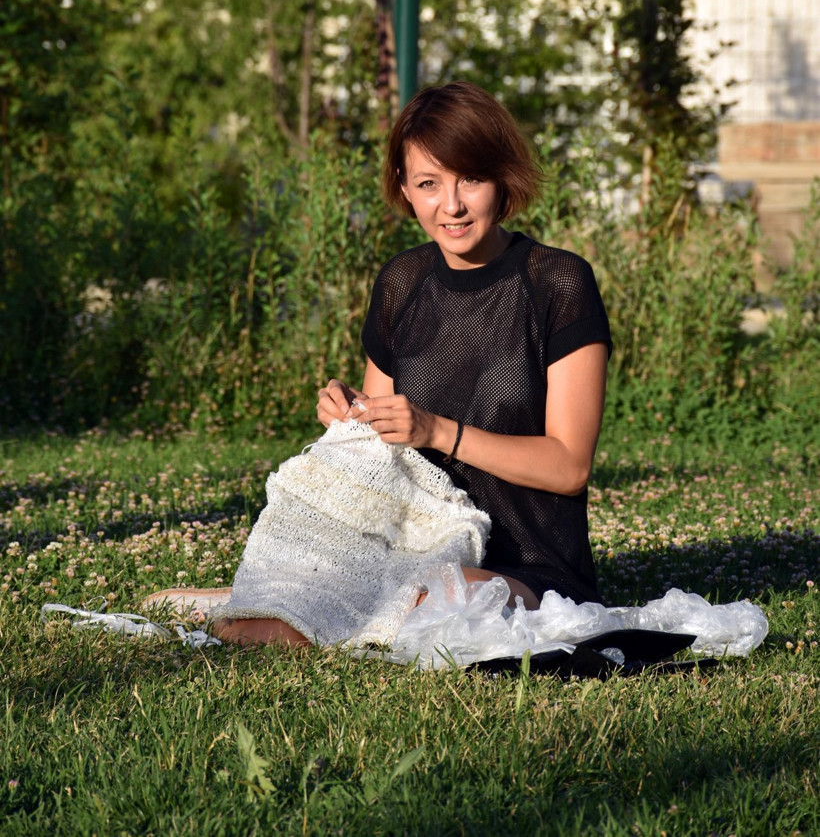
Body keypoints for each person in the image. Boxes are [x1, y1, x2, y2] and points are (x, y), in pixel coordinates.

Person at [147, 82, 611, 645]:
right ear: (404, 189)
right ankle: (272, 607)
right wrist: (356, 416)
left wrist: (438, 431)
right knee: (376, 600)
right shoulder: (402, 282)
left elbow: (568, 466)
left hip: (530, 566)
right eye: (429, 184)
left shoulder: (558, 282)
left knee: (431, 603)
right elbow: (385, 453)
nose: (452, 205)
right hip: (410, 546)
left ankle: (273, 606)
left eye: (471, 178)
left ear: (502, 178)